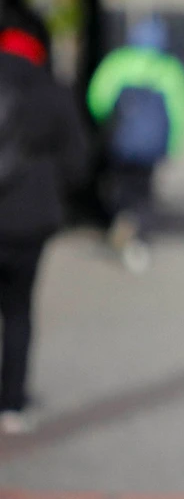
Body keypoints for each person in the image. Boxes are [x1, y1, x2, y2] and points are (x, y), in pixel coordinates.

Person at [0, 39, 91, 434]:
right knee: (18, 311)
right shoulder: (51, 93)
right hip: (28, 218)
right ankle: (12, 403)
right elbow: (77, 160)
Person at [86, 19, 184, 273]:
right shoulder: (169, 69)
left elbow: (97, 99)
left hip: (122, 142)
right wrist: (176, 144)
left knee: (121, 186)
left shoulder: (118, 63)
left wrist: (108, 125)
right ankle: (138, 236)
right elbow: (183, 112)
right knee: (144, 192)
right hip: (152, 147)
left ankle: (123, 220)